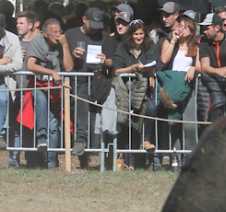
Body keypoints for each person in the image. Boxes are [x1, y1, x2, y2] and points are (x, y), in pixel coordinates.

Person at [26, 18, 73, 170]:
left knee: (54, 125)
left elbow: (68, 68)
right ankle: (41, 138)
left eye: (59, 31)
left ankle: (51, 163)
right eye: (54, 32)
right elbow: (30, 65)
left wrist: (65, 45)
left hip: (55, 89)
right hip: (37, 86)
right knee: (40, 100)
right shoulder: (36, 42)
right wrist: (52, 71)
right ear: (45, 34)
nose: (57, 35)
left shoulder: (62, 44)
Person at [64, 7, 111, 157]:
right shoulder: (70, 34)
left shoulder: (104, 36)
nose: (95, 30)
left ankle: (94, 146)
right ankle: (81, 139)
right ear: (84, 20)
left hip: (99, 79)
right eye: (93, 26)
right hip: (78, 79)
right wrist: (72, 54)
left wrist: (105, 61)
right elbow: (64, 62)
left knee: (94, 114)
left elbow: (112, 61)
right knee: (82, 103)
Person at [113, 19, 158, 169]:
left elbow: (152, 67)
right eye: (136, 34)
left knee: (151, 108)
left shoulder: (149, 47)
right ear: (131, 35)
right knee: (126, 122)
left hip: (143, 93)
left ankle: (146, 140)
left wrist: (146, 70)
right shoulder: (123, 48)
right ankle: (124, 160)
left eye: (141, 34)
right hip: (125, 92)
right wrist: (131, 68)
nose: (139, 37)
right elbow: (116, 70)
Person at [157, 15, 200, 166]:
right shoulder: (169, 43)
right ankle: (174, 156)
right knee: (173, 123)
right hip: (172, 87)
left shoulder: (196, 46)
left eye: (185, 26)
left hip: (187, 88)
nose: (181, 29)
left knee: (189, 124)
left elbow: (199, 65)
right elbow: (164, 60)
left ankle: (190, 157)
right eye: (179, 26)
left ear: (192, 30)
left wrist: (193, 68)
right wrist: (173, 40)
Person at [199, 13, 226, 121]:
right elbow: (204, 66)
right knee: (215, 109)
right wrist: (218, 71)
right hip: (213, 81)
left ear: (217, 28)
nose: (204, 31)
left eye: (207, 28)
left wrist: (218, 71)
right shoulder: (204, 41)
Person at [10, 11, 40, 168]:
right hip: (15, 90)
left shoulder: (38, 42)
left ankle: (31, 159)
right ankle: (13, 160)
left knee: (30, 126)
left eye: (21, 23)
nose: (18, 26)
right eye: (17, 23)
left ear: (31, 25)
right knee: (15, 126)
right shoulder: (14, 42)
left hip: (32, 91)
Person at [0, 13, 22, 155]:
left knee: (3, 99)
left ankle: (0, 134)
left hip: (2, 81)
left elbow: (18, 64)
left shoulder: (12, 38)